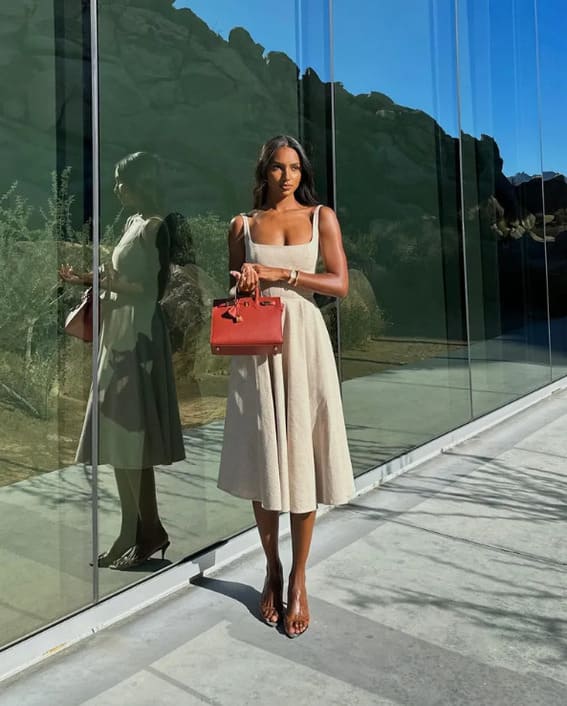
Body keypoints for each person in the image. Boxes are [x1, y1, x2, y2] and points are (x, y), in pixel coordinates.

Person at [218, 135, 354, 637]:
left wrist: (284, 273)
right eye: (278, 168)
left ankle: (299, 578)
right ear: (264, 172)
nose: (287, 176)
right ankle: (271, 566)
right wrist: (246, 281)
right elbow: (232, 288)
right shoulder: (242, 225)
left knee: (301, 454)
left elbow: (339, 284)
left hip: (304, 341)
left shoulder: (322, 217)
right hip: (258, 345)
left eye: (295, 167)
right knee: (265, 453)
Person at [59, 152, 185, 570]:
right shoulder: (132, 223)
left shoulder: (156, 226)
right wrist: (90, 279)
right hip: (119, 337)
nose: (116, 189)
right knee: (118, 441)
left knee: (132, 442)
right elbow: (125, 278)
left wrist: (108, 280)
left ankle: (145, 531)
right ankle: (133, 530)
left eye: (121, 181)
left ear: (141, 183)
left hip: (137, 338)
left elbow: (152, 290)